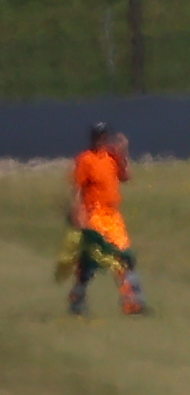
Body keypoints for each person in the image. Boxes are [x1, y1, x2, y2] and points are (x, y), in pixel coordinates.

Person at [64, 125, 144, 317]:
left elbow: (125, 177)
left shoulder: (111, 157)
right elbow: (78, 188)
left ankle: (132, 302)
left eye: (103, 137)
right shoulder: (85, 159)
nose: (100, 140)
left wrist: (124, 153)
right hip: (95, 214)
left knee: (125, 256)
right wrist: (78, 212)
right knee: (93, 260)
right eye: (97, 137)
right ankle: (77, 299)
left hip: (112, 215)